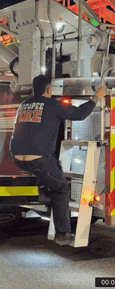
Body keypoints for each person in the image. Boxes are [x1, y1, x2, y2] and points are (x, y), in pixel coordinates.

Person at [10, 75, 106, 245]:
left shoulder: (24, 105)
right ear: (49, 89)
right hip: (38, 160)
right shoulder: (52, 105)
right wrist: (97, 97)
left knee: (51, 176)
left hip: (18, 158)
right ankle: (62, 234)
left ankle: (45, 194)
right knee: (61, 188)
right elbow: (80, 114)